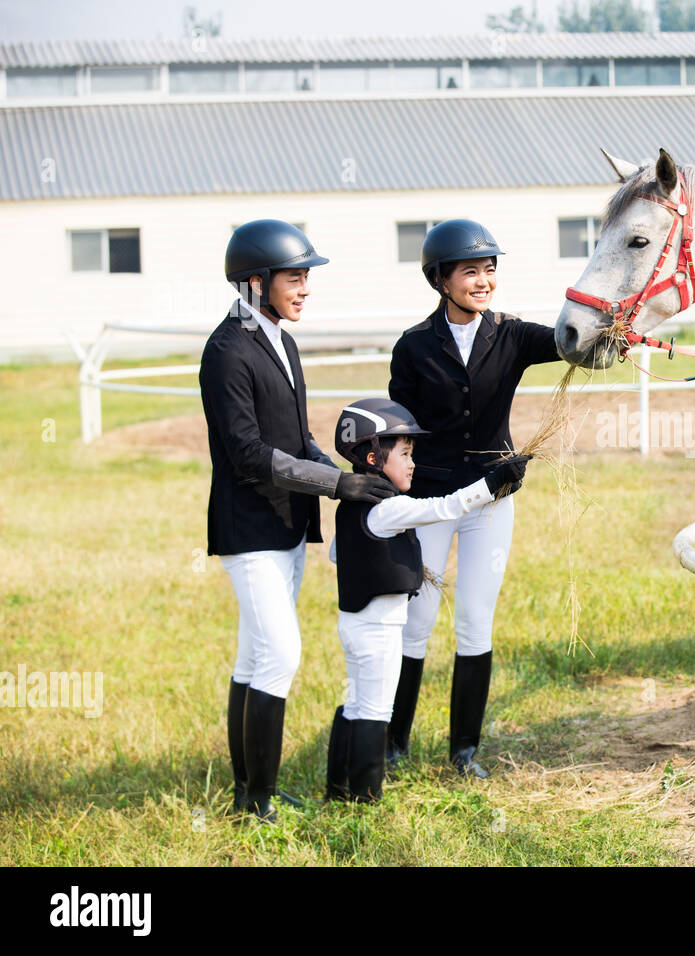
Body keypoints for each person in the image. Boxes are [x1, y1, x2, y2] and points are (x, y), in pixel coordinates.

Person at [200, 219, 395, 823]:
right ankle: (256, 801)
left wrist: (350, 475)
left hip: (286, 524)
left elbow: (297, 437)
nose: (306, 288)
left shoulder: (280, 339)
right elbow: (251, 454)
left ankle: (247, 792)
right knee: (281, 655)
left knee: (253, 657)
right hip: (248, 526)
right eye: (295, 277)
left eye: (307, 276)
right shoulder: (226, 351)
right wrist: (336, 483)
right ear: (256, 282)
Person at [387, 218, 561, 777]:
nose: (483, 281)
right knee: (416, 621)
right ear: (441, 280)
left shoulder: (511, 334)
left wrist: (617, 329)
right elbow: (399, 432)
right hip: (432, 502)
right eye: (470, 272)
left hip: (492, 499)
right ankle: (393, 743)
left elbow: (570, 342)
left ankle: (464, 750)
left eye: (489, 270)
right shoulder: (413, 347)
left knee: (475, 620)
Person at [325, 398, 528, 802]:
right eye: (404, 454)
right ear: (372, 457)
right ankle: (365, 800)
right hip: (380, 629)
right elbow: (445, 506)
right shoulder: (387, 509)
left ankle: (339, 790)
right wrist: (490, 486)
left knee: (356, 702)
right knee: (377, 709)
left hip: (355, 623)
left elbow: (337, 553)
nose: (413, 463)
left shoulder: (354, 504)